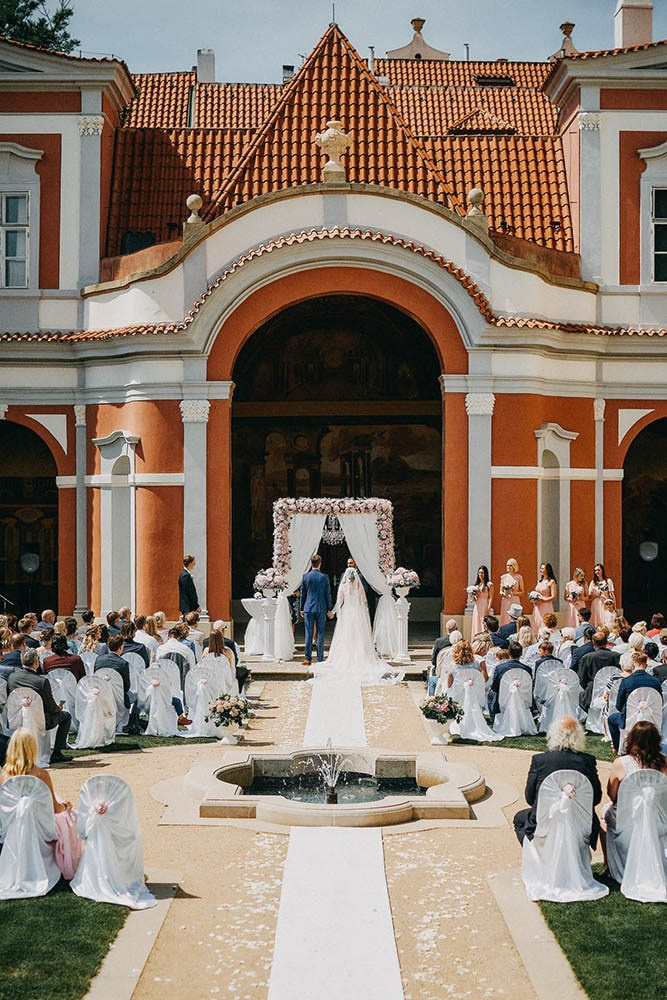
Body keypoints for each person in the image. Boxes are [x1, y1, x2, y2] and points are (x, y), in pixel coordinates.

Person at [0, 728, 82, 878]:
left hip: (13, 825)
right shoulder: (41, 774)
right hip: (40, 828)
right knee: (69, 817)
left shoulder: (4, 774)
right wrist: (65, 806)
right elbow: (55, 809)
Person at [513, 715, 602, 846]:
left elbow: (530, 798)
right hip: (581, 824)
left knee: (519, 820)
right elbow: (596, 798)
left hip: (545, 822)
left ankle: (536, 856)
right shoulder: (588, 761)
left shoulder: (540, 761)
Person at [315, 564, 402, 684]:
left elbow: (339, 602)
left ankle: (345, 657)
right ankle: (361, 657)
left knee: (346, 636)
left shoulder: (343, 587)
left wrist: (333, 612)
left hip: (347, 614)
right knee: (358, 636)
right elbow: (364, 601)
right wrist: (364, 614)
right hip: (357, 614)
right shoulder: (359, 587)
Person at [601, 721, 667, 868]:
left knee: (604, 813)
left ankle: (608, 864)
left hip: (627, 821)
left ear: (631, 739)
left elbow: (612, 795)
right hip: (658, 820)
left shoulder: (621, 763)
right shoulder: (664, 763)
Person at [7, 648, 72, 764]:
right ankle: (57, 752)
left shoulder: (12, 678)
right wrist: (58, 708)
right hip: (41, 720)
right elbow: (50, 707)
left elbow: (11, 699)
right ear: (36, 662)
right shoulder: (41, 681)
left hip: (17, 718)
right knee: (66, 716)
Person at [607, 650, 662, 753]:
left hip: (630, 719)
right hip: (651, 718)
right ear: (646, 665)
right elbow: (659, 702)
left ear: (633, 664)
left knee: (611, 719)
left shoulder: (626, 681)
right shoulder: (655, 682)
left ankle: (616, 747)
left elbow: (619, 706)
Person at [300, 554, 333, 667]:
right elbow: (328, 594)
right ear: (320, 563)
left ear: (311, 564)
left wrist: (301, 608)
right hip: (321, 607)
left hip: (308, 607)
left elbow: (303, 594)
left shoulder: (305, 577)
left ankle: (307, 658)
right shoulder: (324, 577)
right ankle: (320, 658)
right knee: (320, 633)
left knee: (308, 632)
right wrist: (329, 608)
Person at [487, 641, 532, 719]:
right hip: (522, 698)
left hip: (504, 699)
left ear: (509, 654)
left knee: (491, 693)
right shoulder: (527, 669)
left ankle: (493, 716)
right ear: (521, 654)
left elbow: (494, 687)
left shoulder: (500, 668)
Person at [576, 631, 620, 710]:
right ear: (606, 642)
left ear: (593, 643)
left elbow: (582, 679)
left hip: (592, 692)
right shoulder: (616, 656)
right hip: (612, 690)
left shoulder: (587, 658)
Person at [530, 562, 557, 631]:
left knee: (545, 622)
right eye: (540, 568)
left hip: (546, 605)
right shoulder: (539, 581)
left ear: (547, 570)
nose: (540, 570)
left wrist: (543, 600)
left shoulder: (551, 582)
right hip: (537, 606)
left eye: (542, 568)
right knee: (537, 622)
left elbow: (554, 597)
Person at [469, 566, 494, 638]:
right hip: (477, 606)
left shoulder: (489, 584)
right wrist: (472, 595)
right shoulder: (477, 585)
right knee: (477, 622)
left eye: (482, 573)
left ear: (485, 573)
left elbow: (491, 597)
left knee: (483, 623)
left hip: (484, 605)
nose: (480, 574)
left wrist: (488, 609)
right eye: (479, 573)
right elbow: (475, 598)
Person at [498, 558, 524, 625]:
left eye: (510, 565)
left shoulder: (519, 577)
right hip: (506, 601)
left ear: (514, 566)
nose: (508, 567)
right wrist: (504, 593)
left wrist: (513, 593)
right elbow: (500, 591)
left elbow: (522, 592)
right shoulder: (503, 577)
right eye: (507, 565)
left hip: (515, 600)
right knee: (505, 617)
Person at [588, 563, 615, 627]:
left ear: (602, 570)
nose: (597, 572)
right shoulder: (593, 582)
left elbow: (612, 595)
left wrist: (614, 607)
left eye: (598, 570)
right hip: (596, 604)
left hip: (606, 603)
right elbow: (589, 596)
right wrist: (597, 595)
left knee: (606, 620)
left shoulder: (608, 581)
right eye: (595, 570)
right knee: (597, 621)